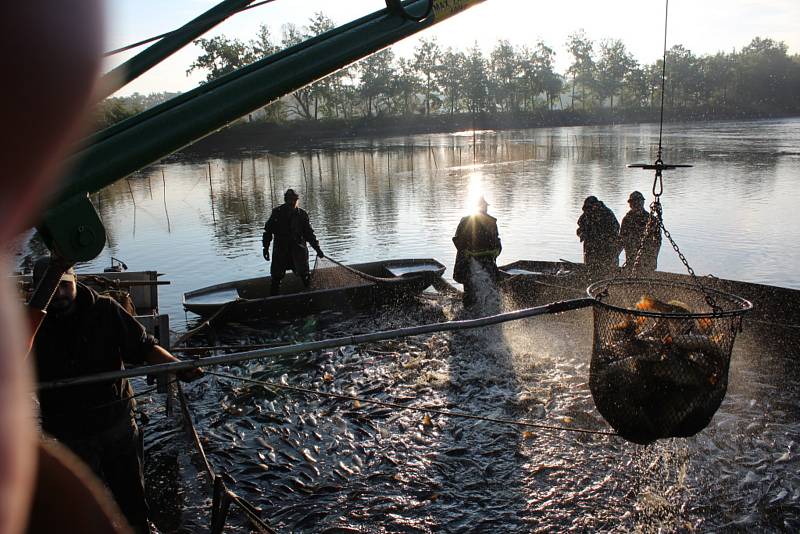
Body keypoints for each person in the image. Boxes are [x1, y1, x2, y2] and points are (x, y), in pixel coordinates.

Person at [30, 257, 203, 533]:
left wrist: (178, 367)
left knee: (131, 498)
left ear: (75, 281)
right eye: (50, 289)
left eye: (64, 286)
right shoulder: (28, 326)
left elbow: (145, 347)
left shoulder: (105, 310)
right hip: (67, 432)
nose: (59, 295)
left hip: (115, 423)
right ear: (37, 290)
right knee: (79, 508)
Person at [262, 188, 324, 296]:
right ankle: (273, 300)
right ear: (285, 200)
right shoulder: (277, 213)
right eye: (289, 200)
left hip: (298, 251)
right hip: (281, 252)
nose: (292, 202)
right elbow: (268, 231)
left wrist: (317, 249)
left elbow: (309, 234)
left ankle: (312, 297)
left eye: (294, 200)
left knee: (305, 275)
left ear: (297, 200)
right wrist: (265, 248)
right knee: (276, 278)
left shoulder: (302, 214)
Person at [452, 196, 502, 306]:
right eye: (484, 207)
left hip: (478, 264)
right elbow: (497, 245)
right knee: (483, 290)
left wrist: (472, 253)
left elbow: (457, 241)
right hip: (477, 264)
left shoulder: (489, 222)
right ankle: (480, 313)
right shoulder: (488, 222)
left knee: (475, 291)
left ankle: (473, 313)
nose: (485, 209)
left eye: (486, 207)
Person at [619, 190, 662, 272]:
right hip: (632, 258)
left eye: (638, 202)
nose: (635, 205)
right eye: (633, 203)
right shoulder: (627, 219)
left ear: (642, 203)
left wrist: (652, 255)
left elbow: (658, 240)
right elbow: (622, 239)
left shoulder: (651, 219)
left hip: (647, 259)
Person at [577, 196, 621, 273]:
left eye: (590, 207)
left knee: (605, 270)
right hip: (590, 249)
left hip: (606, 249)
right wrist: (581, 234)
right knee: (590, 270)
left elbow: (615, 230)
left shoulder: (607, 214)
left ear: (596, 205)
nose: (589, 210)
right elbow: (580, 228)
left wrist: (604, 238)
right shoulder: (587, 214)